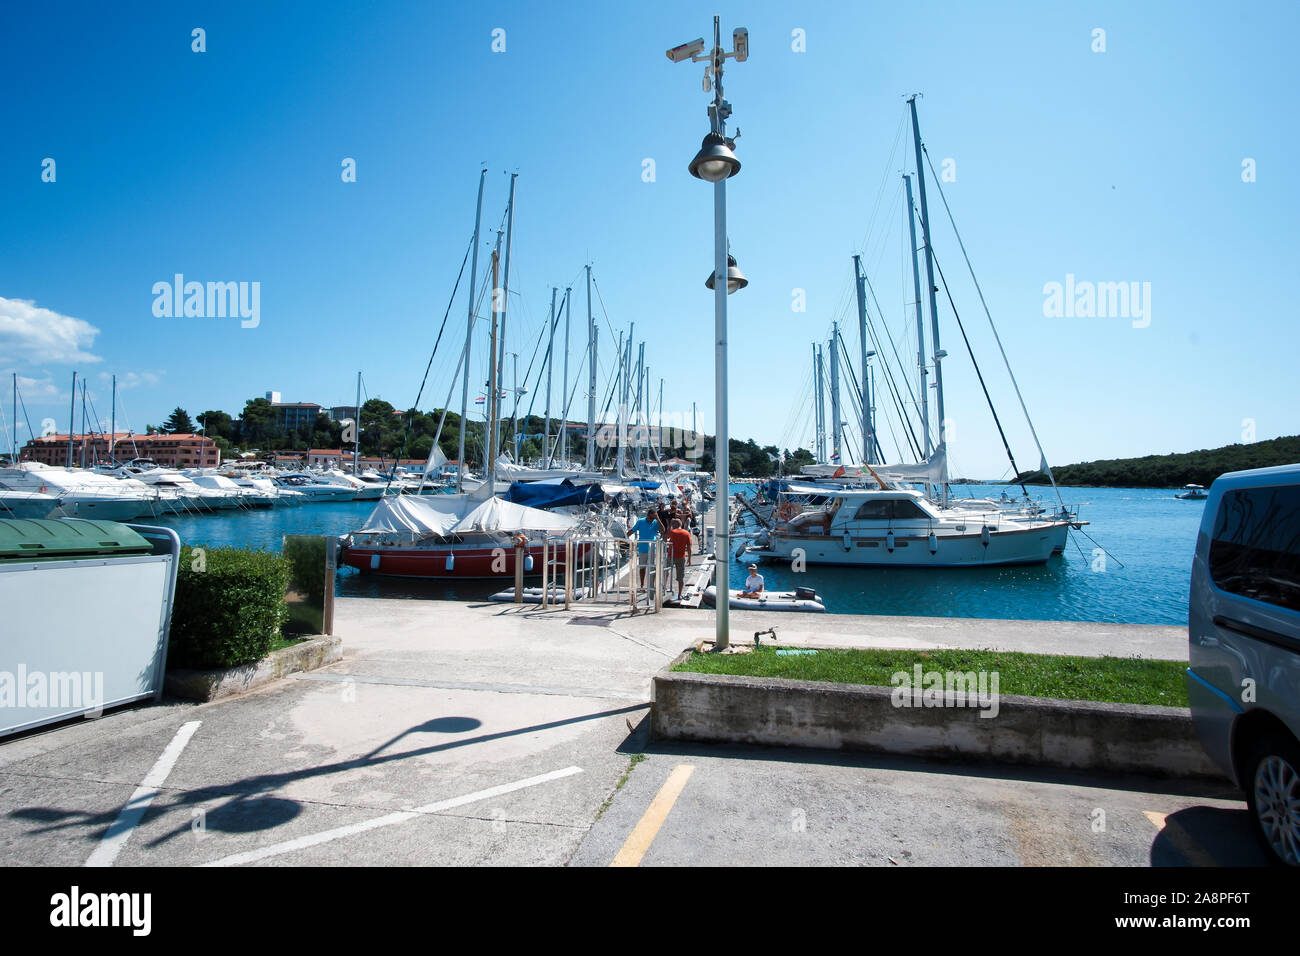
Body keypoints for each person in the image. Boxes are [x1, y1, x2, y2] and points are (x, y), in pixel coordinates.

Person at [628, 508, 661, 588]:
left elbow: (663, 530)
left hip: (653, 548)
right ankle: (642, 584)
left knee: (653, 567)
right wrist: (625, 537)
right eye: (651, 518)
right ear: (647, 516)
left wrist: (658, 519)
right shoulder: (640, 521)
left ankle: (652, 585)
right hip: (643, 548)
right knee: (642, 567)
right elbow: (632, 530)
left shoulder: (655, 522)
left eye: (653, 518)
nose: (651, 520)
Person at [666, 518, 693, 601]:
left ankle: (664, 588)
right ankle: (679, 595)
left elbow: (666, 536)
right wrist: (689, 558)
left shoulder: (672, 532)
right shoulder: (686, 533)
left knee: (666, 572)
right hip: (681, 556)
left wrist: (669, 525)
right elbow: (689, 547)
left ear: (675, 525)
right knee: (680, 577)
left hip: (671, 555)